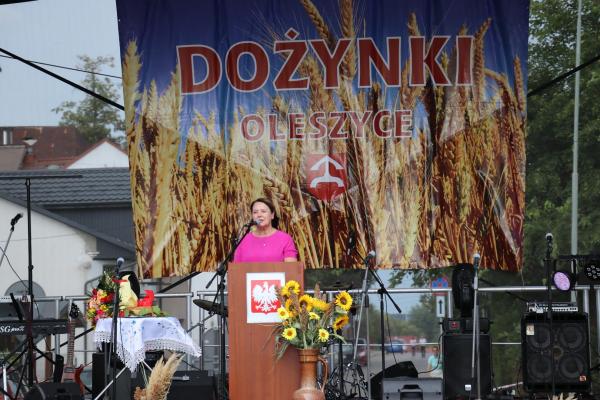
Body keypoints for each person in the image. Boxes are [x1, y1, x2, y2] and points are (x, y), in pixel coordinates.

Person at [233, 197, 298, 263]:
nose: (259, 215)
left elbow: (291, 267)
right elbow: (236, 267)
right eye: (255, 212)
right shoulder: (243, 240)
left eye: (263, 211)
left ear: (272, 215)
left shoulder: (285, 239)